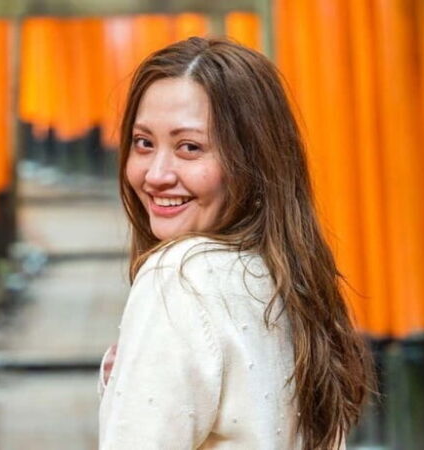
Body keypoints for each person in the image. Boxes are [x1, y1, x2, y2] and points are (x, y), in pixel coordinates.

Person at [98, 37, 374, 450]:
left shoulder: (178, 276)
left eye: (190, 148)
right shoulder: (289, 280)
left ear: (252, 160)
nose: (156, 174)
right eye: (144, 143)